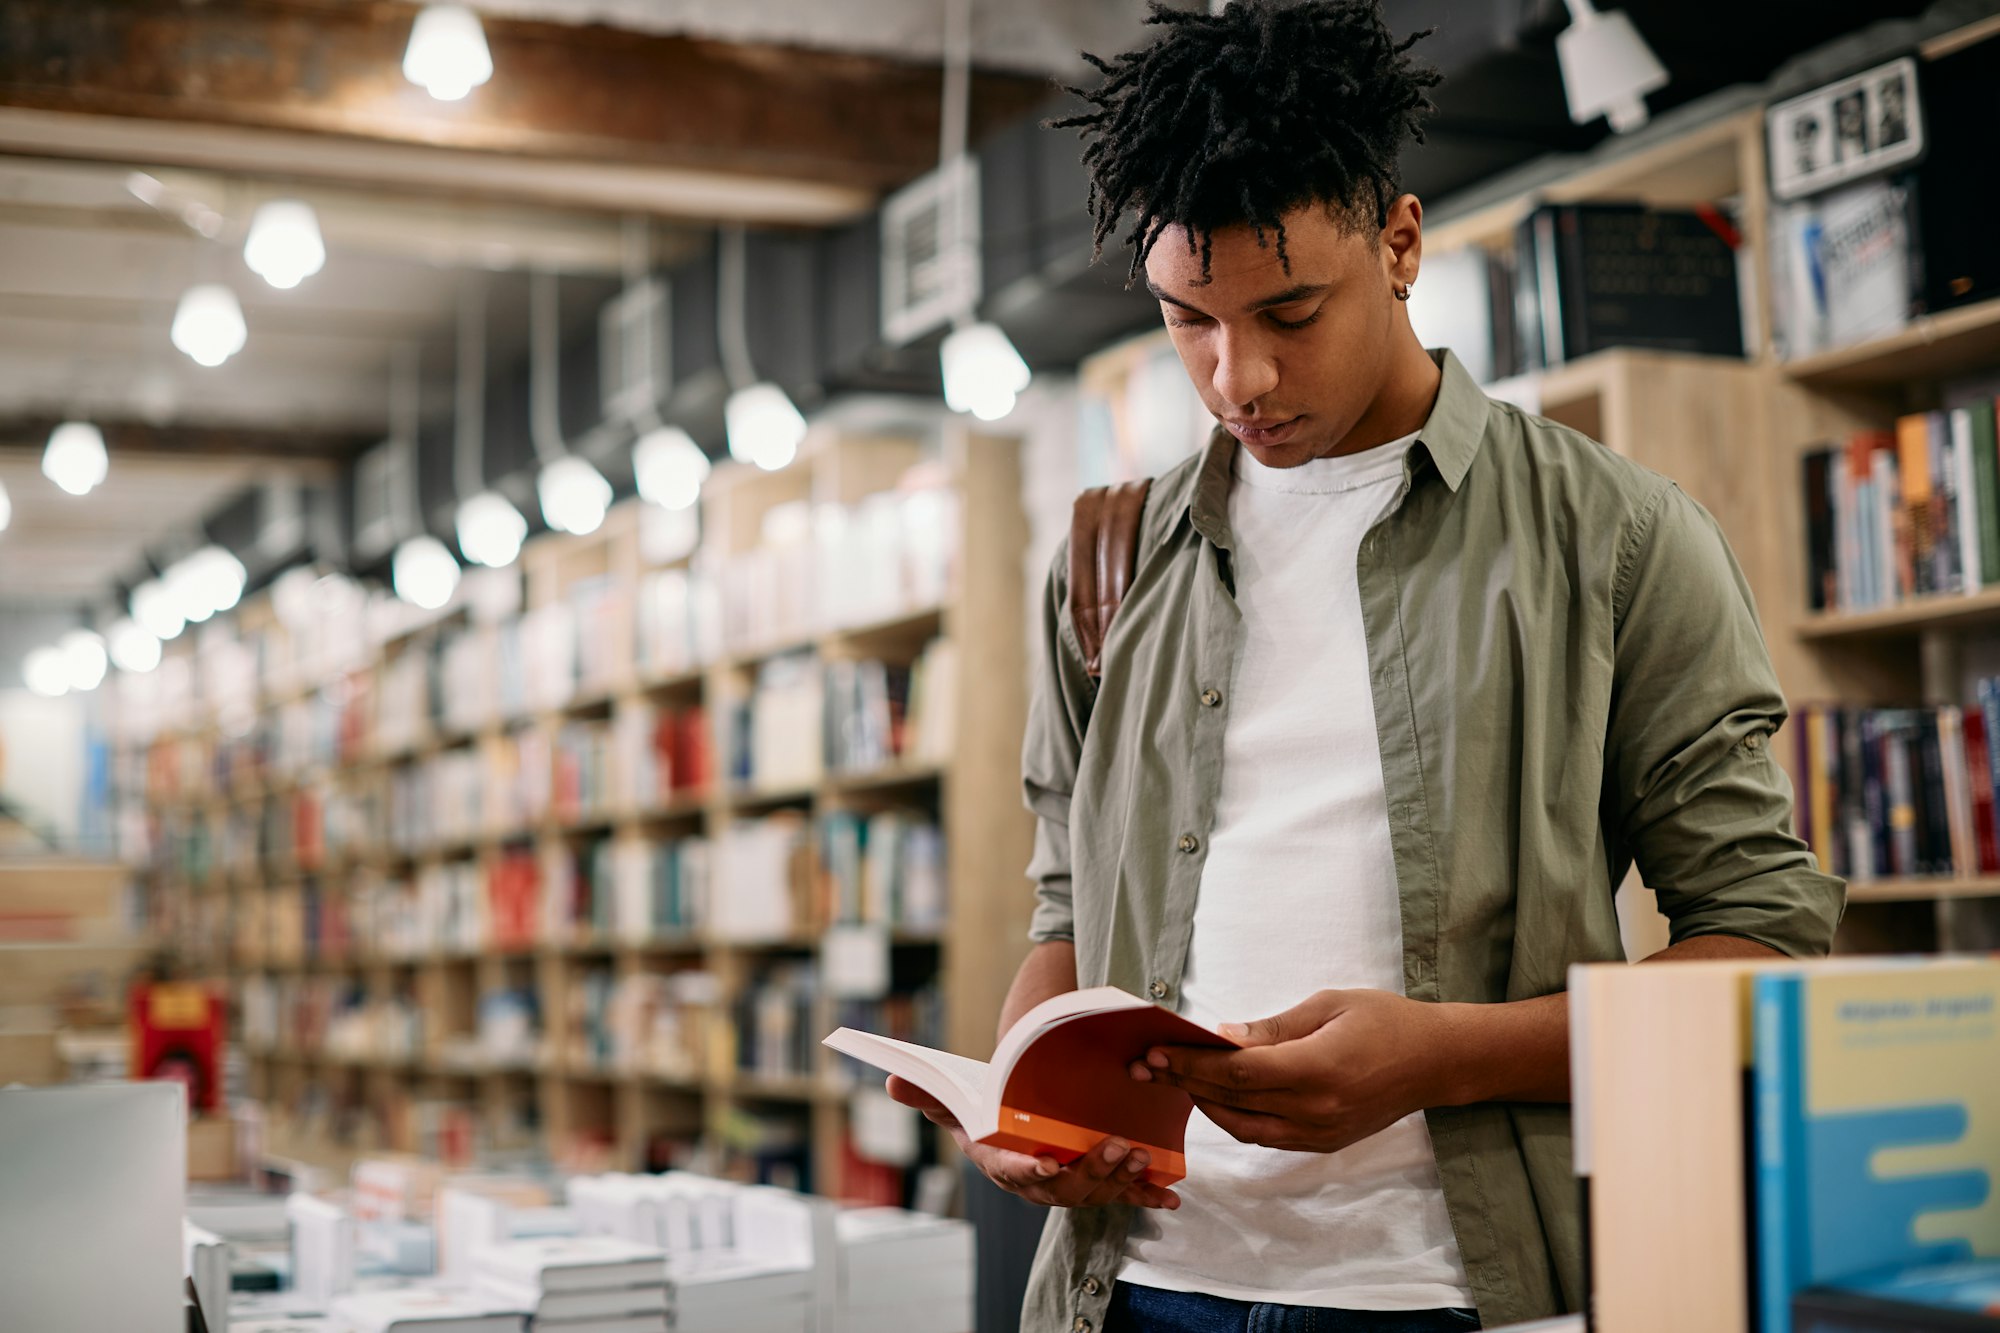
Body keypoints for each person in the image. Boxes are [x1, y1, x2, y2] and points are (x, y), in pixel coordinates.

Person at [885, 3, 1845, 1331]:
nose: (1242, 375)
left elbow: (1763, 947)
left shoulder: (1615, 537)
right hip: (1139, 1286)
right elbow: (1067, 904)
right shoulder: (1108, 560)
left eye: (1291, 308)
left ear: (1400, 241)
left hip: (1456, 1291)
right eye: (1189, 321)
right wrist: (1022, 1103)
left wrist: (1444, 1057)